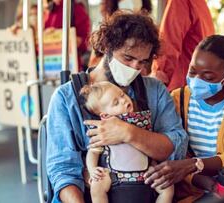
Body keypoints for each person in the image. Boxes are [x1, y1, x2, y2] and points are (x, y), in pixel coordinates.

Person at [46, 11, 188, 203]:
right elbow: (63, 170)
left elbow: (176, 146)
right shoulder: (66, 98)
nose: (134, 68)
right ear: (107, 47)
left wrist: (129, 133)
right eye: (127, 58)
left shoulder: (154, 91)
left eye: (142, 61)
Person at [144, 35, 224, 202]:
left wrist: (194, 165)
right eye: (192, 71)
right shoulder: (177, 99)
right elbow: (173, 155)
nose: (197, 80)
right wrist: (198, 179)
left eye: (208, 77)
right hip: (193, 186)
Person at [80, 81, 174, 203]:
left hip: (145, 172)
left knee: (167, 187)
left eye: (122, 95)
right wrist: (93, 170)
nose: (123, 100)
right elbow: (93, 152)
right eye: (116, 103)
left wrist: (154, 165)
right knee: (97, 186)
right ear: (105, 115)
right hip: (114, 175)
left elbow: (150, 146)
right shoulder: (104, 129)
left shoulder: (141, 120)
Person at [151, 0, 215, 91]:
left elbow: (169, 42)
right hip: (199, 85)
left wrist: (159, 74)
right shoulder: (201, 4)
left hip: (180, 86)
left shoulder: (180, 2)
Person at [44, 0, 91, 71]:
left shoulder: (76, 9)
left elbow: (85, 40)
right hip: (50, 63)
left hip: (71, 63)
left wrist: (58, 36)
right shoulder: (48, 10)